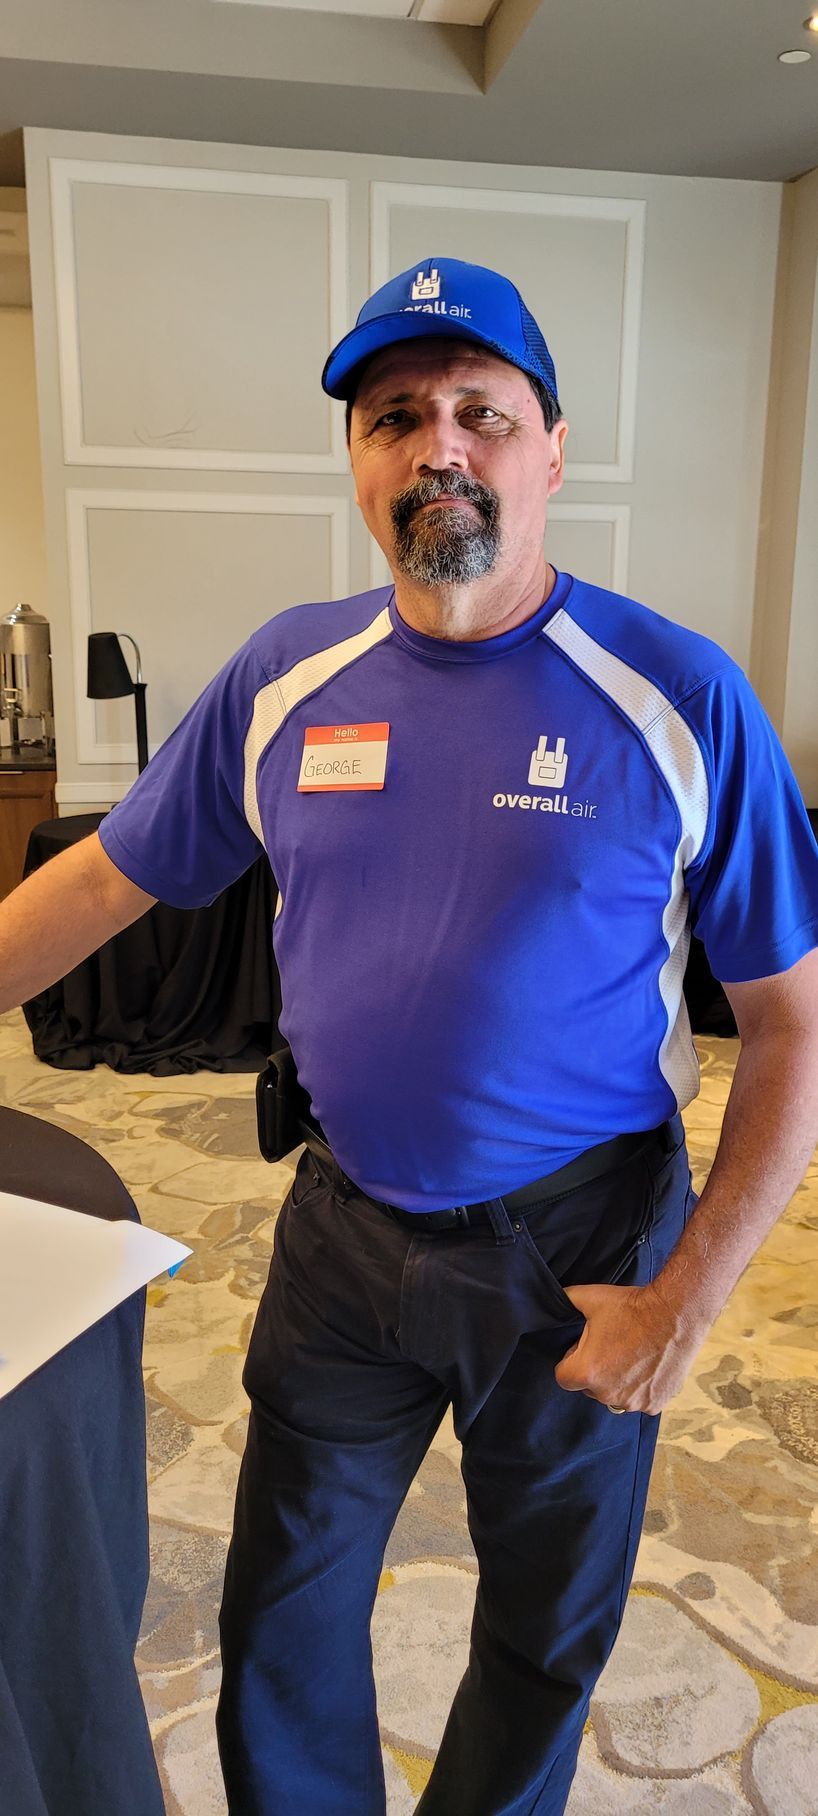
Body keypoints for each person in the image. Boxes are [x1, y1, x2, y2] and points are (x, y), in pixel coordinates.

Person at [2, 255, 818, 1816]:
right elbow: (103, 879)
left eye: (479, 412)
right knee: (284, 1618)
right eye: (394, 417)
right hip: (342, 1238)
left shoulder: (676, 697)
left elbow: (790, 1030)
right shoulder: (285, 676)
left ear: (551, 450)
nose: (437, 443)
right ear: (360, 462)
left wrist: (684, 1304)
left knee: (541, 1626)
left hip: (573, 1246)